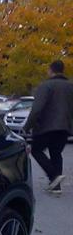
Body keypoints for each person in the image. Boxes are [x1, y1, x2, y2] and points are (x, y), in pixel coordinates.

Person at [24, 60, 73, 194]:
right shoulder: (70, 87)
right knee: (56, 153)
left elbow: (37, 109)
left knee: (36, 150)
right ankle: (56, 187)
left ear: (51, 70)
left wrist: (27, 126)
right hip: (64, 128)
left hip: (46, 127)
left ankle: (54, 176)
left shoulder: (46, 86)